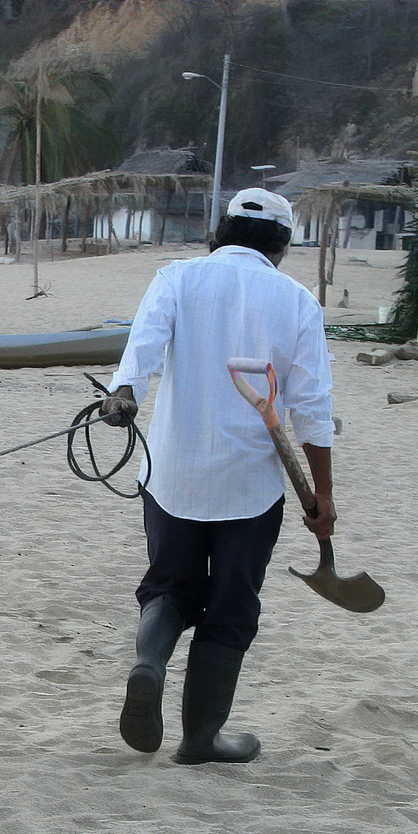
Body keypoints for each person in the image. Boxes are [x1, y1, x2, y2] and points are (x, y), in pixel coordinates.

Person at [98, 188, 336, 764]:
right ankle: (200, 739)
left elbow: (142, 350)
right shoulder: (298, 301)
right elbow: (312, 409)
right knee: (231, 608)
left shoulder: (177, 277)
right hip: (250, 488)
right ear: (282, 244)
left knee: (168, 589)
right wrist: (322, 493)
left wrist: (124, 393)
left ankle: (149, 664)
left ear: (220, 231)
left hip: (172, 474)